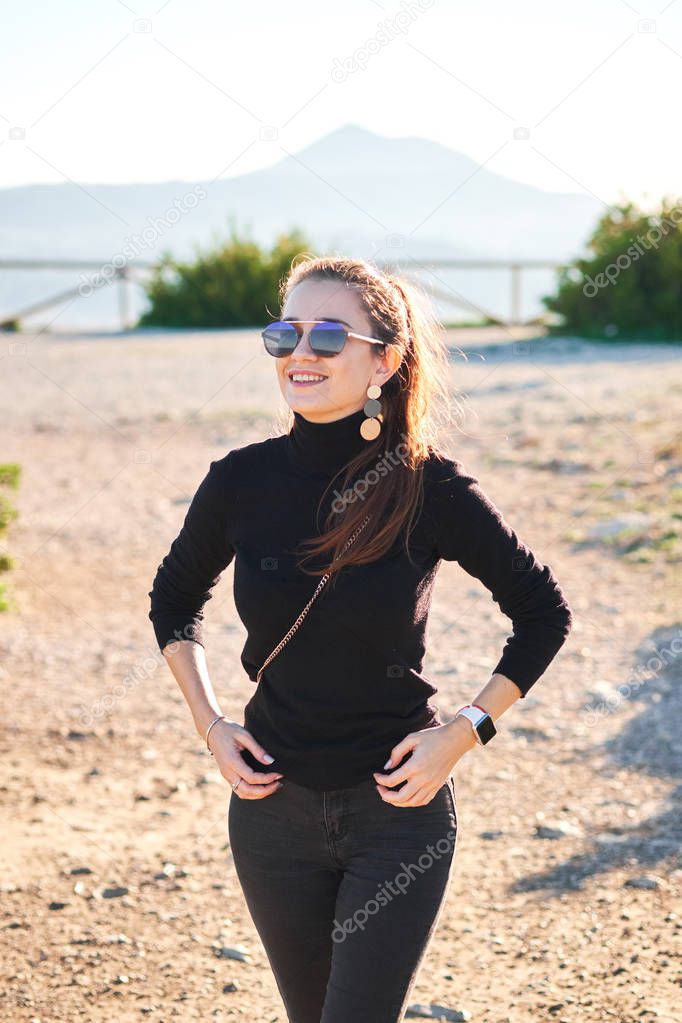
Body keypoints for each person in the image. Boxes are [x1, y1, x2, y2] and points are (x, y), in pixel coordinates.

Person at [148, 255, 573, 1023]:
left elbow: (543, 611)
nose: (301, 354)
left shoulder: (428, 486)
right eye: (286, 333)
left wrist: (463, 732)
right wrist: (212, 726)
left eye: (327, 335)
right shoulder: (239, 481)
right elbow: (173, 603)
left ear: (385, 358)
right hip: (271, 814)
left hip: (397, 814)